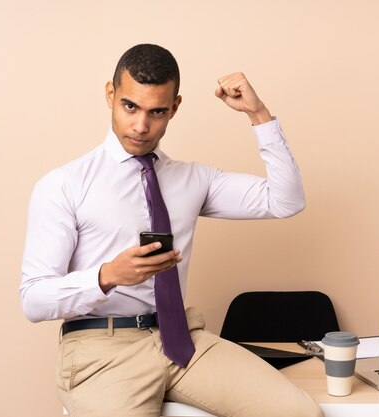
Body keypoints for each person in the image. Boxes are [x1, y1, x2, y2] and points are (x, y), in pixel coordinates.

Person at [20, 44, 323, 417]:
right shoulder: (64, 184)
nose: (141, 126)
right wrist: (108, 276)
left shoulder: (192, 179)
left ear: (174, 108)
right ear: (110, 94)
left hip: (182, 341)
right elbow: (33, 299)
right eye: (130, 106)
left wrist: (258, 115)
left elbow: (285, 201)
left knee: (298, 413)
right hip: (102, 348)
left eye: (157, 112)